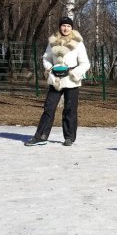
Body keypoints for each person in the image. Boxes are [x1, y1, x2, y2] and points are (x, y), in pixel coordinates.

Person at [25, 16, 90, 147]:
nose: (65, 28)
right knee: (49, 107)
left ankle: (69, 137)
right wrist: (50, 68)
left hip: (71, 80)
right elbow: (46, 58)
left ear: (72, 28)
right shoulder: (52, 41)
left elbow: (85, 63)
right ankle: (41, 136)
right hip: (56, 79)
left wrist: (74, 73)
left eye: (68, 26)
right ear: (60, 27)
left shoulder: (78, 43)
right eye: (63, 26)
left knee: (70, 109)